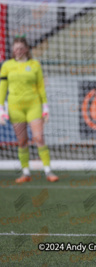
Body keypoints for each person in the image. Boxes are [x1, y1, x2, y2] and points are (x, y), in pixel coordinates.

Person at [0, 36, 59, 183]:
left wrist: (45, 107)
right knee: (22, 141)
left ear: (26, 49)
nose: (18, 51)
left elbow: (40, 87)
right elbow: (2, 88)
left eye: (21, 48)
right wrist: (1, 108)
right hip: (15, 107)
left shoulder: (34, 65)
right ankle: (25, 173)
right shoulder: (7, 65)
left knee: (39, 137)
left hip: (33, 105)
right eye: (15, 48)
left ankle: (48, 171)